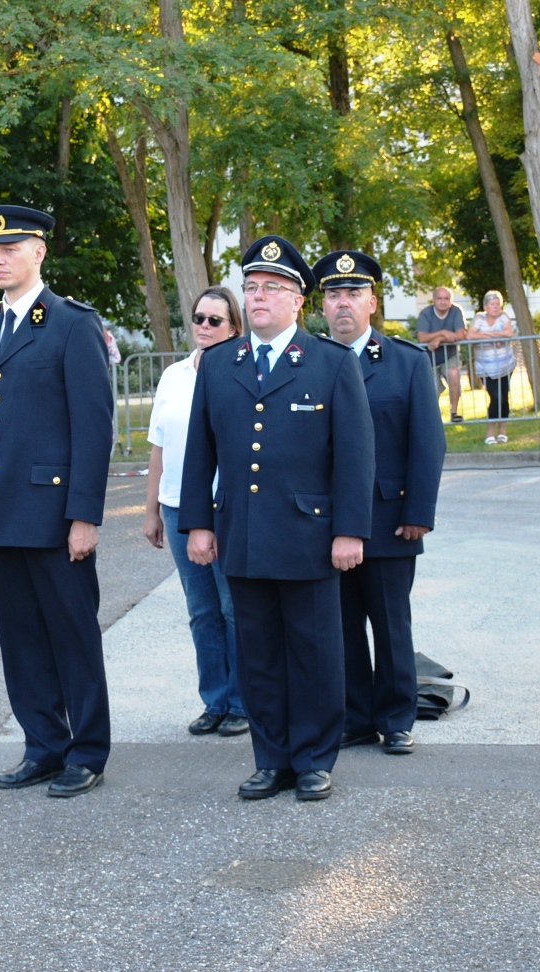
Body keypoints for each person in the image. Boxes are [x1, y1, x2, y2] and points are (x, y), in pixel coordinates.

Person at [180, 235, 374, 802]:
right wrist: (198, 523)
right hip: (242, 533)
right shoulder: (220, 364)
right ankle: (271, 759)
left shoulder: (330, 363)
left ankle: (314, 759)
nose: (259, 297)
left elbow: (355, 458)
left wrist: (349, 530)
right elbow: (200, 452)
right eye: (252, 287)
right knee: (258, 654)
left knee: (314, 652)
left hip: (310, 536)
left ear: (297, 302)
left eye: (272, 288)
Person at [0, 203, 113, 799]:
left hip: (54, 515)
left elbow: (94, 426)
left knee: (72, 634)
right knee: (21, 637)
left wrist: (85, 515)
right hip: (2, 513)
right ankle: (43, 745)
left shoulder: (73, 324)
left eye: (10, 249)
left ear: (39, 252)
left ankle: (88, 750)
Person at [314, 250, 445, 757]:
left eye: (352, 294)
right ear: (321, 306)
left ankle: (396, 718)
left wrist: (418, 512)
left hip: (391, 521)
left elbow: (427, 444)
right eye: (333, 294)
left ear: (373, 302)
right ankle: (356, 716)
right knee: (341, 625)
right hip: (327, 523)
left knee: (391, 624)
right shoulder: (312, 363)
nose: (342, 304)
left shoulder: (407, 362)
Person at [141, 286, 247, 739]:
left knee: (233, 609)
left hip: (225, 510)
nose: (204, 327)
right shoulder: (174, 376)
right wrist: (151, 511)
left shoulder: (243, 373)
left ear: (234, 328)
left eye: (214, 321)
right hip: (178, 507)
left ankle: (243, 702)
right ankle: (215, 700)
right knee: (201, 611)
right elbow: (158, 448)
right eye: (198, 318)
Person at [470, 290, 516, 445]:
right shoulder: (479, 318)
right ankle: (490, 431)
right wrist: (496, 335)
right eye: (492, 304)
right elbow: (470, 335)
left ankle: (502, 431)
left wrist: (486, 335)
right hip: (486, 366)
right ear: (485, 306)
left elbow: (509, 333)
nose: (496, 307)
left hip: (505, 364)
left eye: (498, 304)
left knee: (504, 396)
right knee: (495, 396)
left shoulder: (504, 317)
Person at [416, 287, 467, 423]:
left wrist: (438, 339)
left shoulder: (456, 311)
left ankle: (454, 412)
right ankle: (433, 419)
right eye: (439, 298)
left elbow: (461, 334)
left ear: (451, 301)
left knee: (454, 373)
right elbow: (422, 337)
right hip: (430, 358)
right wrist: (443, 332)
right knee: (433, 390)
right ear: (433, 300)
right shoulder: (425, 314)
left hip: (450, 355)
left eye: (446, 299)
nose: (443, 302)